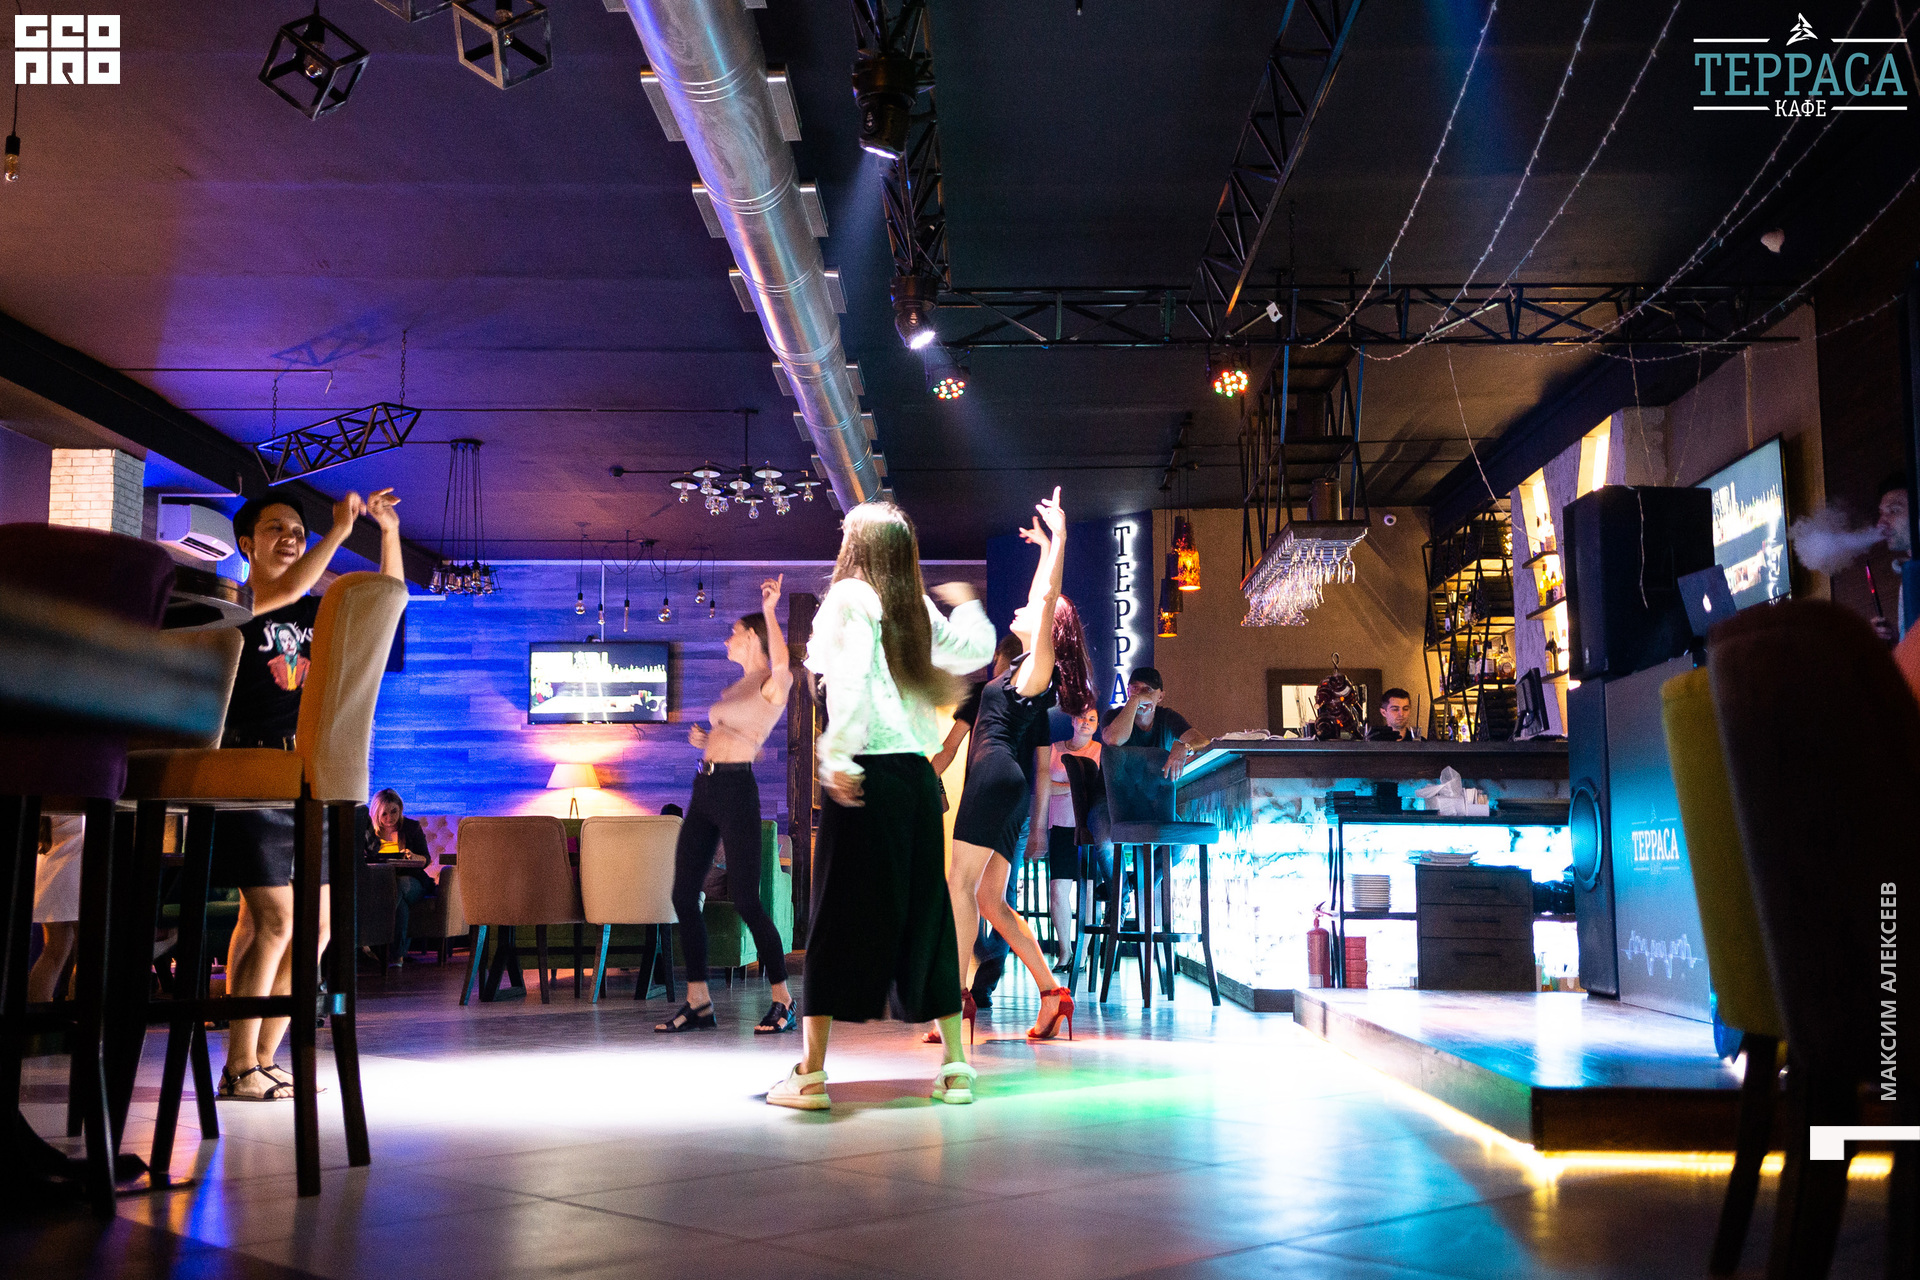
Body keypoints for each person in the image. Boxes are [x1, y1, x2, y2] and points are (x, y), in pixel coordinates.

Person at [769, 499, 993, 1109]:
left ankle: (811, 1074)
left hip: (867, 774)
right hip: (918, 781)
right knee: (927, 917)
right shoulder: (913, 605)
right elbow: (973, 651)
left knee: (835, 918)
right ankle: (955, 1068)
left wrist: (836, 756)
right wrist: (967, 601)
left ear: (856, 547)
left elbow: (849, 682)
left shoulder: (849, 598)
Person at [214, 485, 404, 1102]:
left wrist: (388, 533)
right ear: (246, 544)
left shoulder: (317, 611)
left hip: (308, 776)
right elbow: (290, 587)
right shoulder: (241, 602)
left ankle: (264, 1059)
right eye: (278, 529)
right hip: (250, 771)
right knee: (273, 921)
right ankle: (238, 1064)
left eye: (299, 530)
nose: (292, 538)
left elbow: (383, 604)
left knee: (315, 928)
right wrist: (339, 531)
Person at [946, 488, 1083, 1043]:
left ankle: (954, 1005)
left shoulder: (1036, 668)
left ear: (1051, 627)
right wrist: (1044, 546)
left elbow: (1045, 598)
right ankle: (1052, 994)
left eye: (1039, 610)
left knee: (958, 884)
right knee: (989, 900)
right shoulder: (1023, 667)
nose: (1024, 607)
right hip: (1009, 787)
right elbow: (1040, 594)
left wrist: (1061, 540)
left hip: (994, 777)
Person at [656, 575, 796, 1035]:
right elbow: (734, 731)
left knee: (747, 900)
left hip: (736, 791)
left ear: (753, 636)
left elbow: (783, 666)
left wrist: (770, 610)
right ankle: (698, 1001)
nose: (726, 640)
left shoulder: (771, 682)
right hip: (706, 787)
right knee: (683, 894)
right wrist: (708, 739)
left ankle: (783, 999)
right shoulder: (737, 687)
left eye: (734, 633)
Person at [1040, 706, 1104, 969]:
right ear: (1072, 720)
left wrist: (1063, 788)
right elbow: (1043, 786)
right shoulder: (1054, 749)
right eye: (1082, 717)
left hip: (1091, 828)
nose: (1086, 722)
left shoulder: (1101, 751)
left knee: (1088, 892)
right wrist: (1074, 787)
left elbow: (1099, 791)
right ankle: (1065, 951)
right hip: (1060, 827)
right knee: (1058, 891)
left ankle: (1083, 953)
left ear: (1097, 724)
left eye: (1092, 719)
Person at [355, 788, 434, 968]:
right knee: (401, 906)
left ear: (400, 809)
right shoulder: (369, 832)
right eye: (384, 813)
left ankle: (368, 940)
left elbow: (426, 859)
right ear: (376, 813)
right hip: (379, 882)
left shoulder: (411, 828)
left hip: (412, 881)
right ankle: (396, 957)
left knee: (397, 885)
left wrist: (414, 856)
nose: (389, 817)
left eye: (394, 812)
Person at [1102, 667, 1208, 778]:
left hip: (1155, 785)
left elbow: (1204, 742)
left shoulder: (1167, 717)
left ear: (1160, 696)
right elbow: (1114, 739)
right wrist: (1134, 700)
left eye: (1148, 689)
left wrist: (1186, 747)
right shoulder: (1113, 715)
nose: (1141, 694)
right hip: (1118, 785)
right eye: (1135, 688)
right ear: (1128, 692)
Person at [27, 815, 84, 1004]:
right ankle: (85, 1015)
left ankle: (36, 1017)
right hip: (78, 869)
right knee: (92, 950)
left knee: (53, 951)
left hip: (48, 869)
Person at [1872, 472, 1912, 643]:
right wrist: (1897, 640)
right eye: (1881, 513)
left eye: (1894, 510)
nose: (1880, 524)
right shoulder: (1909, 576)